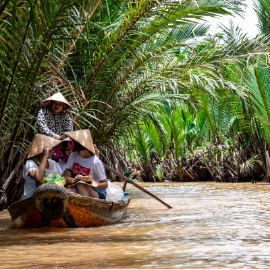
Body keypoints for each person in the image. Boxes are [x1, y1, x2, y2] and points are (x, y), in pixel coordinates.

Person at [63, 129, 108, 199]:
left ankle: (85, 207)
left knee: (80, 184)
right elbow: (66, 175)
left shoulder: (95, 162)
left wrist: (92, 183)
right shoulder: (73, 156)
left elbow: (105, 184)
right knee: (71, 189)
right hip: (77, 186)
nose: (71, 143)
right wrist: (75, 179)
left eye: (74, 141)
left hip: (96, 192)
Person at [22, 134, 62, 199]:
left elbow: (62, 179)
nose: (53, 151)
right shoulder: (30, 163)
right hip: (32, 200)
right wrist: (45, 155)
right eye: (51, 149)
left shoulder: (53, 163)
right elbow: (38, 177)